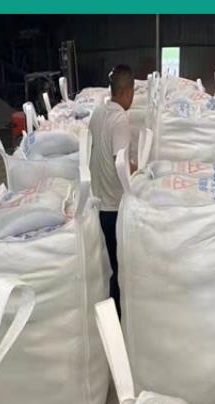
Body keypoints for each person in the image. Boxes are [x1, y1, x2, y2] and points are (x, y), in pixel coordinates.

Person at [89, 64, 135, 315]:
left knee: (106, 265)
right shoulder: (120, 120)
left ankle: (106, 312)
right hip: (114, 207)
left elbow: (96, 151)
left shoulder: (98, 114)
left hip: (96, 204)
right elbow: (120, 163)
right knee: (120, 269)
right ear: (127, 91)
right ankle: (116, 321)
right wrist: (138, 180)